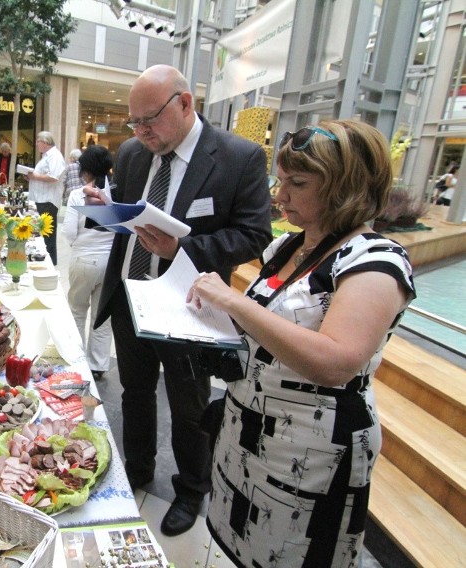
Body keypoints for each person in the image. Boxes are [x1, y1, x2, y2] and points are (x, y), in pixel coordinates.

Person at [189, 120, 415, 566]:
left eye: (297, 183)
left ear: (343, 188)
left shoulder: (375, 260)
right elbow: (269, 330)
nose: (280, 194)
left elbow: (335, 363)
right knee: (241, 545)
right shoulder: (288, 247)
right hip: (249, 432)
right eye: (280, 180)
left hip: (312, 452)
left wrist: (233, 302)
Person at [89, 64, 272, 536]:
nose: (140, 131)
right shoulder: (131, 154)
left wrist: (182, 249)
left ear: (185, 103)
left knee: (188, 405)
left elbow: (254, 235)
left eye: (149, 120)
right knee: (134, 393)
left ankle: (192, 488)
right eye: (134, 122)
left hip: (188, 307)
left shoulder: (238, 157)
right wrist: (102, 209)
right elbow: (130, 219)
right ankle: (138, 469)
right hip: (131, 295)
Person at [61, 146, 114, 381]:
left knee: (77, 310)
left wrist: (80, 244)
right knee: (102, 316)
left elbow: (70, 232)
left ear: (86, 170)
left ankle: (77, 359)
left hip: (84, 259)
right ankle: (98, 364)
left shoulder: (78, 194)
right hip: (111, 262)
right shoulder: (118, 191)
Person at [26, 131, 67, 265]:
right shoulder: (46, 156)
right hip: (41, 199)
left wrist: (34, 177)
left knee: (48, 235)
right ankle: (45, 262)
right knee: (43, 235)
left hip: (47, 200)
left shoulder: (54, 156)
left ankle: (51, 264)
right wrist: (32, 177)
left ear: (45, 142)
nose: (36, 144)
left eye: (38, 141)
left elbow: (54, 177)